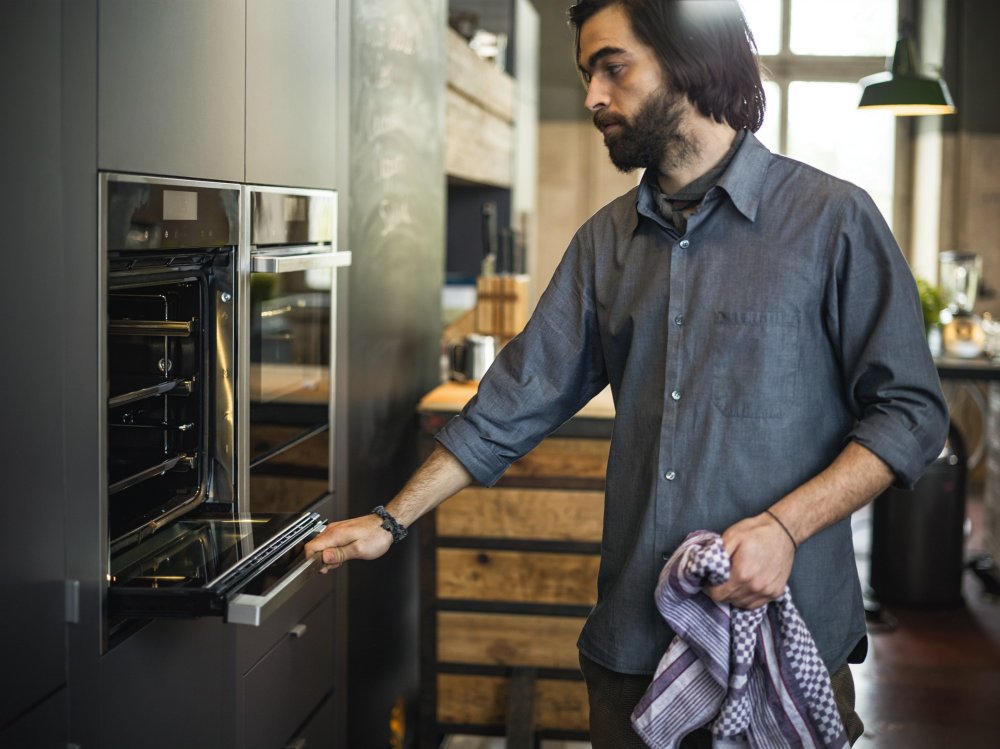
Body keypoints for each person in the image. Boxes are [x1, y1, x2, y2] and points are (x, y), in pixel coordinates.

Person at [305, 1, 949, 746]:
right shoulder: (604, 246)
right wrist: (391, 519)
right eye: (587, 74)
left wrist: (784, 526)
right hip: (636, 651)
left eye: (613, 67)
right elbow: (510, 404)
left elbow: (910, 412)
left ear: (691, 58)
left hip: (789, 635)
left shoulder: (834, 219)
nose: (593, 98)